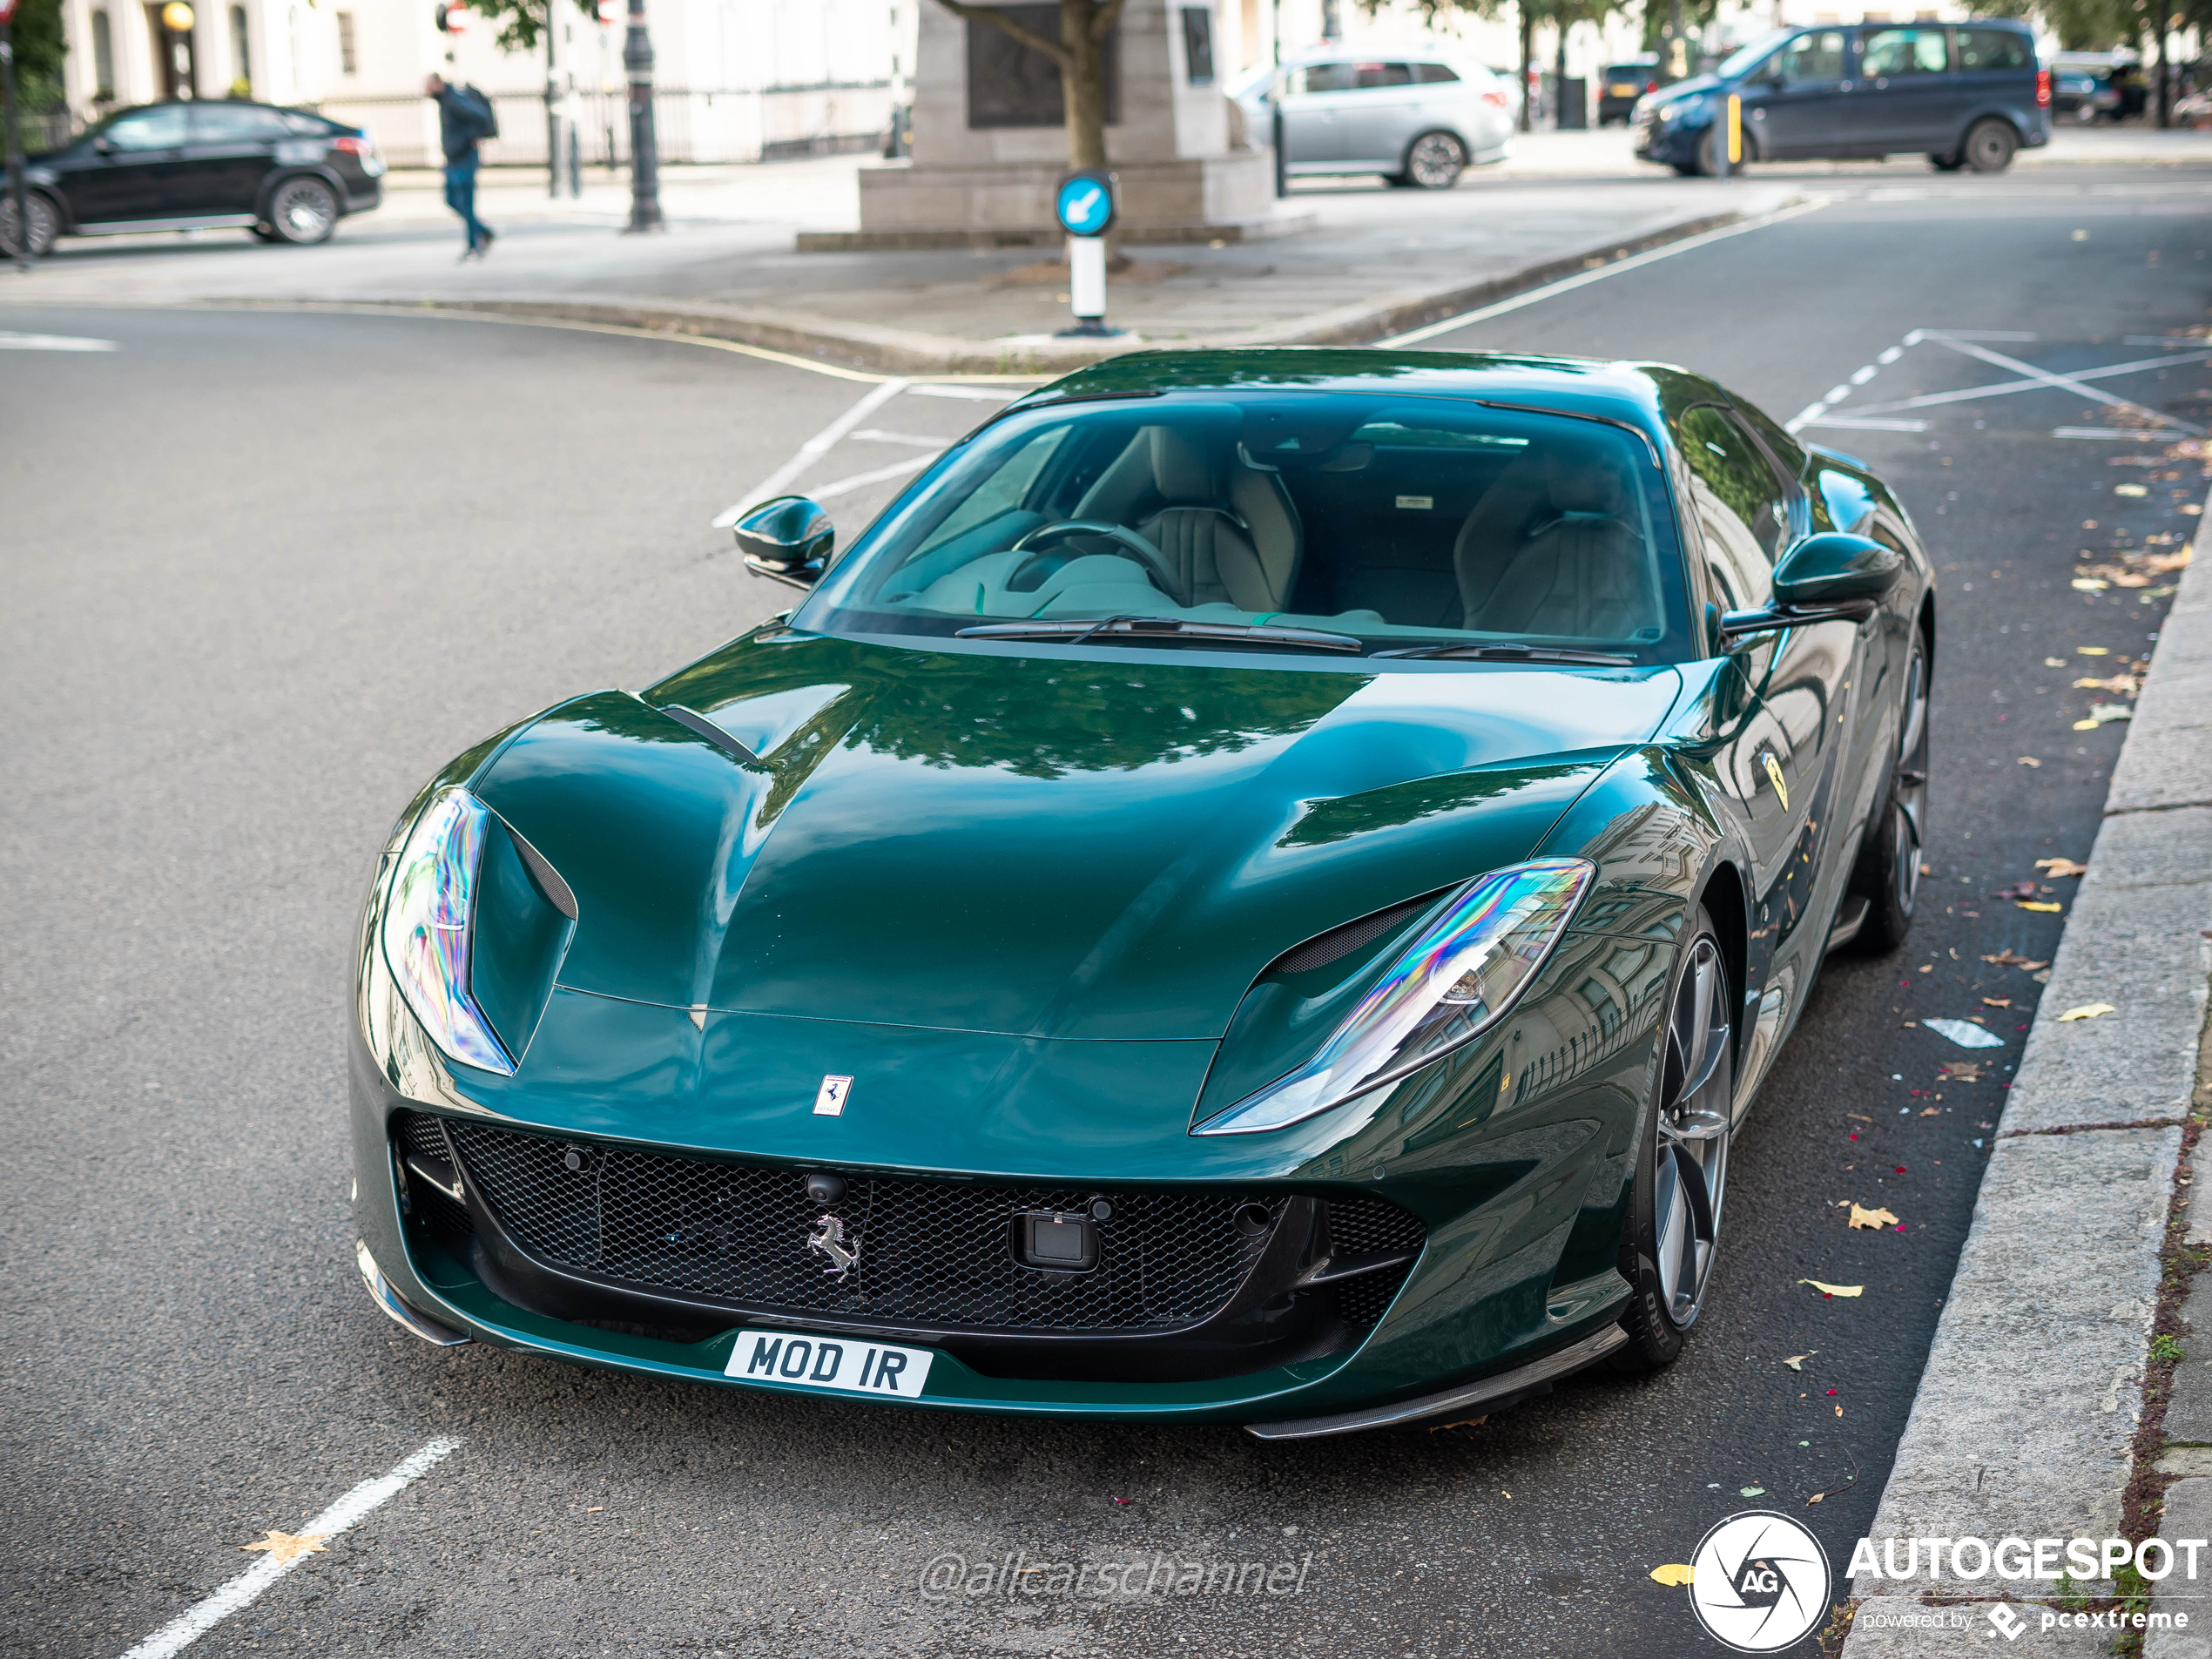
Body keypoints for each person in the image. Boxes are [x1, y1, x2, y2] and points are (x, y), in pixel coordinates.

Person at [425, 74, 496, 260]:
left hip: (464, 157)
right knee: (452, 199)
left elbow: (479, 116)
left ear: (438, 84)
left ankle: (475, 243)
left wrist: (469, 139)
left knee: (466, 201)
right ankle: (482, 232)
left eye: (428, 85)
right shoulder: (446, 101)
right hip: (454, 158)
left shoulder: (454, 100)